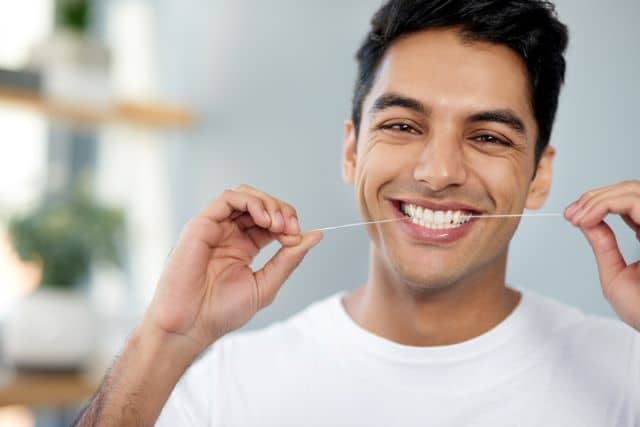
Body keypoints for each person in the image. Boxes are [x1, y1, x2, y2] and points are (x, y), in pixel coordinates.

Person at [74, 1, 640, 425]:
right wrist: (166, 338)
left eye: (488, 136)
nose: (438, 172)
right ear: (351, 150)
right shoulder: (227, 387)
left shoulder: (625, 375)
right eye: (401, 125)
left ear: (539, 175)